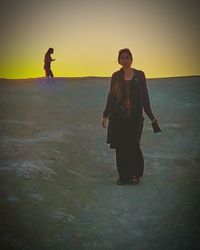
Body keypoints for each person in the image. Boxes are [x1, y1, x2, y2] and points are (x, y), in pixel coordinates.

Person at [102, 48, 158, 185]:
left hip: (135, 118)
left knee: (133, 145)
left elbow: (145, 96)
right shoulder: (116, 76)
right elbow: (111, 96)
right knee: (121, 147)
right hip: (118, 117)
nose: (125, 60)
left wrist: (151, 116)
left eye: (127, 57)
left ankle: (135, 174)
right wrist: (105, 115)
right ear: (119, 60)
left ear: (131, 59)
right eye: (122, 58)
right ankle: (123, 175)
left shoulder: (139, 75)